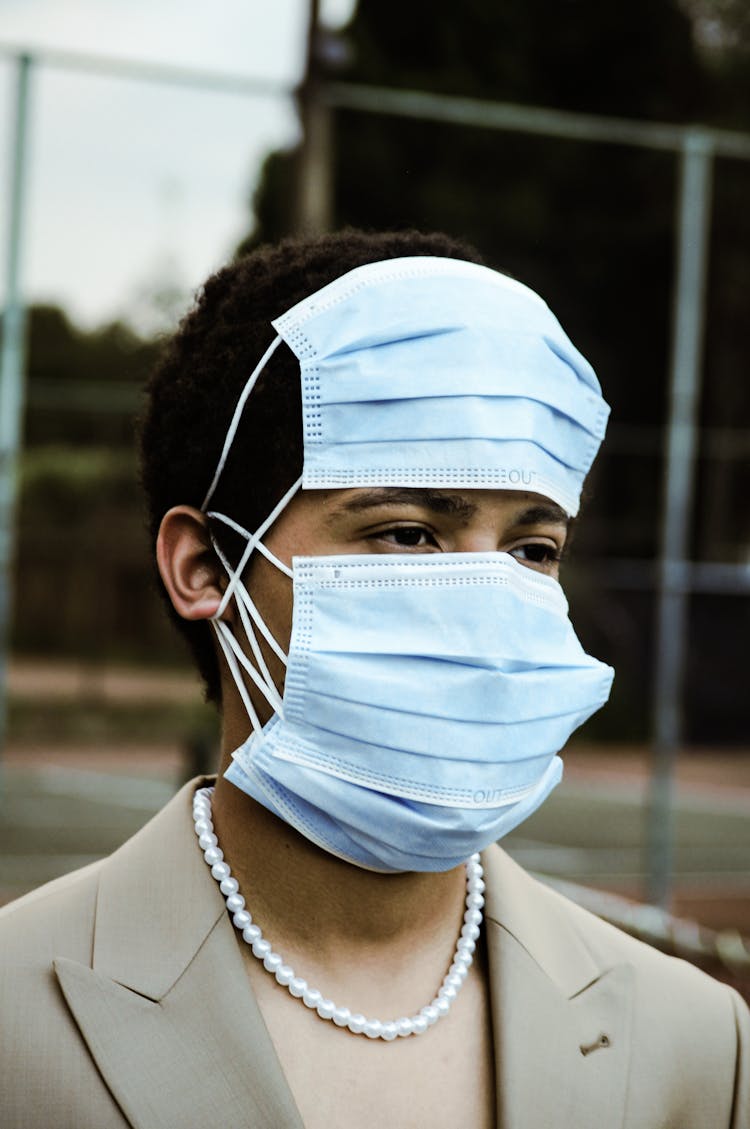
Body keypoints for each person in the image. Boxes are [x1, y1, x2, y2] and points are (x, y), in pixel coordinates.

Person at [0, 228, 747, 1129]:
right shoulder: (16, 1021)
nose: (487, 597)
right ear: (204, 566)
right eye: (407, 531)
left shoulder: (700, 1044)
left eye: (531, 547)